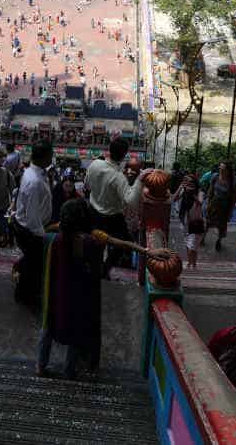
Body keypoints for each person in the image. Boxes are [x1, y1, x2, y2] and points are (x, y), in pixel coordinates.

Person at [38, 200, 170, 380]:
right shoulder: (91, 237)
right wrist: (147, 251)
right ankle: (69, 371)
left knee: (47, 326)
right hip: (78, 295)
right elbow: (121, 243)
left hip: (55, 293)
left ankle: (40, 366)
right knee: (75, 329)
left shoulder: (55, 235)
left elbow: (42, 233)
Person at [84, 139, 143, 279]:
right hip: (112, 217)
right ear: (124, 156)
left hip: (93, 211)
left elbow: (86, 184)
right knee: (124, 244)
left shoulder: (95, 164)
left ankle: (96, 271)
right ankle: (105, 270)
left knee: (96, 244)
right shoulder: (117, 177)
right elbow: (131, 201)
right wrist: (140, 179)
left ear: (109, 150)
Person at [12, 142, 54, 307]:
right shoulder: (34, 181)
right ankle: (25, 295)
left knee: (31, 264)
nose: (52, 158)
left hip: (32, 227)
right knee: (33, 267)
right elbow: (32, 217)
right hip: (31, 232)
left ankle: (26, 291)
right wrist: (42, 237)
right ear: (44, 158)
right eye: (50, 155)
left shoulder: (34, 172)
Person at [174, 174, 204, 269]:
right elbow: (174, 199)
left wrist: (192, 194)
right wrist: (181, 187)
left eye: (191, 183)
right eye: (187, 182)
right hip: (185, 222)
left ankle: (190, 262)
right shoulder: (183, 190)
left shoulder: (200, 193)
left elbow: (200, 203)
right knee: (188, 244)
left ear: (195, 184)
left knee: (192, 246)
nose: (189, 185)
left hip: (196, 223)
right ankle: (192, 263)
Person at [205, 160, 236, 251]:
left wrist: (230, 212)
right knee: (208, 221)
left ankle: (218, 240)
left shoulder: (232, 182)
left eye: (222, 168)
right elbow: (210, 191)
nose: (220, 169)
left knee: (221, 226)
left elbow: (233, 199)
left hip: (224, 207)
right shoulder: (215, 177)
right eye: (220, 167)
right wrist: (208, 202)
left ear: (228, 170)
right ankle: (203, 237)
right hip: (214, 204)